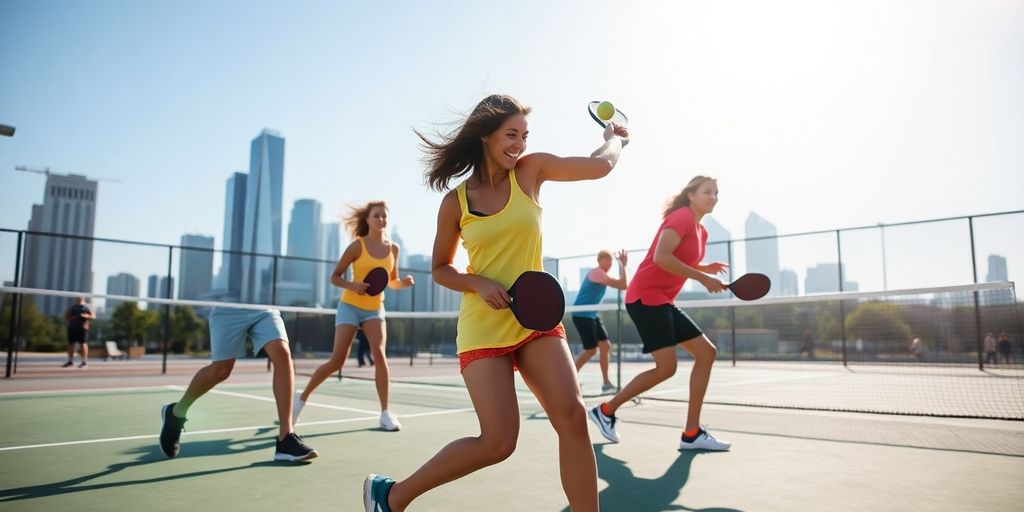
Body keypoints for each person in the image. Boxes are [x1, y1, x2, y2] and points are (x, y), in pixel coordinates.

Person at [362, 94, 629, 512]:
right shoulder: (456, 202)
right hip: (483, 327)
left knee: (574, 418)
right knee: (498, 442)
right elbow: (441, 268)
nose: (519, 144)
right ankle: (391, 496)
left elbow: (601, 166)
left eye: (524, 135)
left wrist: (613, 138)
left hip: (536, 323)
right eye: (511, 134)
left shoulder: (532, 171)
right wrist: (477, 283)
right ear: (485, 135)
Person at [587, 176, 732, 452]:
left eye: (716, 193)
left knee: (706, 353)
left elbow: (682, 257)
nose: (713, 197)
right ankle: (605, 410)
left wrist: (706, 267)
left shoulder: (701, 231)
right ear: (691, 194)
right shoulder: (681, 217)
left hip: (663, 299)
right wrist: (702, 277)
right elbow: (661, 257)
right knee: (667, 367)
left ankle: (691, 432)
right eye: (707, 191)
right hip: (646, 297)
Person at [293, 201, 414, 431]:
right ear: (367, 220)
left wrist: (404, 283)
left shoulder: (393, 249)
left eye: (384, 216)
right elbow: (335, 277)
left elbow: (392, 281)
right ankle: (301, 397)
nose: (381, 220)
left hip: (375, 309)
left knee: (379, 354)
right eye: (376, 216)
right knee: (338, 359)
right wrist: (353, 285)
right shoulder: (357, 246)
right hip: (350, 305)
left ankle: (385, 413)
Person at [159, 307, 318, 461]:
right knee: (221, 370)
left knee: (282, 353)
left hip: (264, 308)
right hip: (230, 307)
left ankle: (286, 439)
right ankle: (176, 412)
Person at [572, 250, 628, 393]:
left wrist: (622, 265)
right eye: (607, 260)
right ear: (600, 260)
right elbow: (622, 284)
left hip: (592, 314)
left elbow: (622, 285)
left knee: (605, 346)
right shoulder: (597, 273)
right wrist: (622, 265)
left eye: (611, 261)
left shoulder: (603, 275)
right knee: (591, 350)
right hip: (582, 314)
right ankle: (570, 378)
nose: (610, 264)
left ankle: (606, 383)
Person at [62, 296, 95, 368]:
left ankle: (84, 362)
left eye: (80, 299)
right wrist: (74, 317)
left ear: (83, 299)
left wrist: (86, 316)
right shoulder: (72, 307)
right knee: (71, 344)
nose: (78, 300)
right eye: (77, 299)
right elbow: (66, 317)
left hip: (82, 328)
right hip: (72, 327)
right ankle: (70, 361)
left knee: (83, 344)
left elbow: (93, 316)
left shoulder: (87, 307)